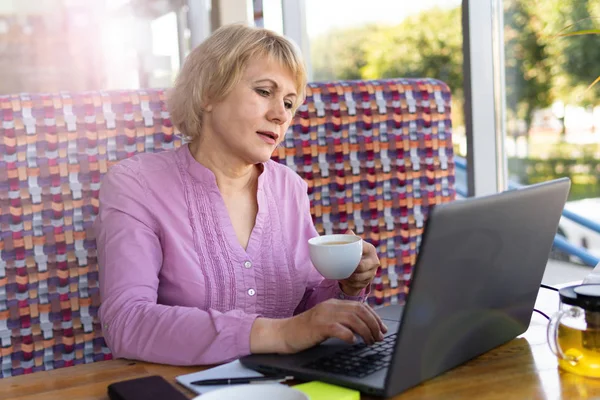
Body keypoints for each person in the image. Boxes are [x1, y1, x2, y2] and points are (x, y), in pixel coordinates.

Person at [95, 23, 386, 366]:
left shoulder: (289, 188)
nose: (280, 114)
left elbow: (304, 312)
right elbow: (127, 323)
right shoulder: (135, 184)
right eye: (264, 91)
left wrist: (345, 289)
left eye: (289, 103)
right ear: (209, 94)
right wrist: (282, 334)